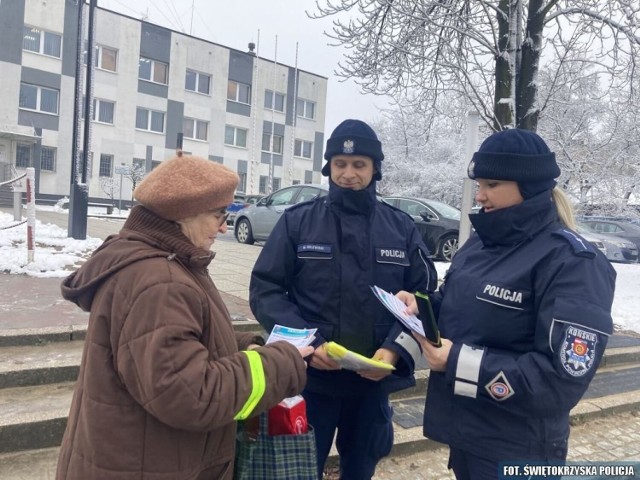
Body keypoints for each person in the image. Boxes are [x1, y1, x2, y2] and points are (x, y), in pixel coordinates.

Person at [56, 155, 313, 480]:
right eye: (219, 214)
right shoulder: (159, 282)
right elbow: (190, 394)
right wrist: (279, 364)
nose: (224, 226)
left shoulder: (163, 263)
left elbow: (177, 343)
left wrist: (247, 346)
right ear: (184, 214)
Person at [396, 129, 616, 479]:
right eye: (479, 183)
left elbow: (559, 381)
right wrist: (420, 308)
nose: (480, 195)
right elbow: (455, 308)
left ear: (529, 186)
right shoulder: (479, 245)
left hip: (520, 449)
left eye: (492, 184)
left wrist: (455, 361)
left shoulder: (573, 263)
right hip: (468, 437)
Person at [249, 119, 437, 480]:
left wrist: (394, 348)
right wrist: (308, 343)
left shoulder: (401, 227)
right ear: (328, 167)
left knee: (361, 469)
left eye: (359, 165)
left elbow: (425, 298)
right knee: (300, 471)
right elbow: (266, 291)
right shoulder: (298, 223)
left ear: (375, 169)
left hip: (372, 384)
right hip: (311, 381)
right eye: (340, 164)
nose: (348, 174)